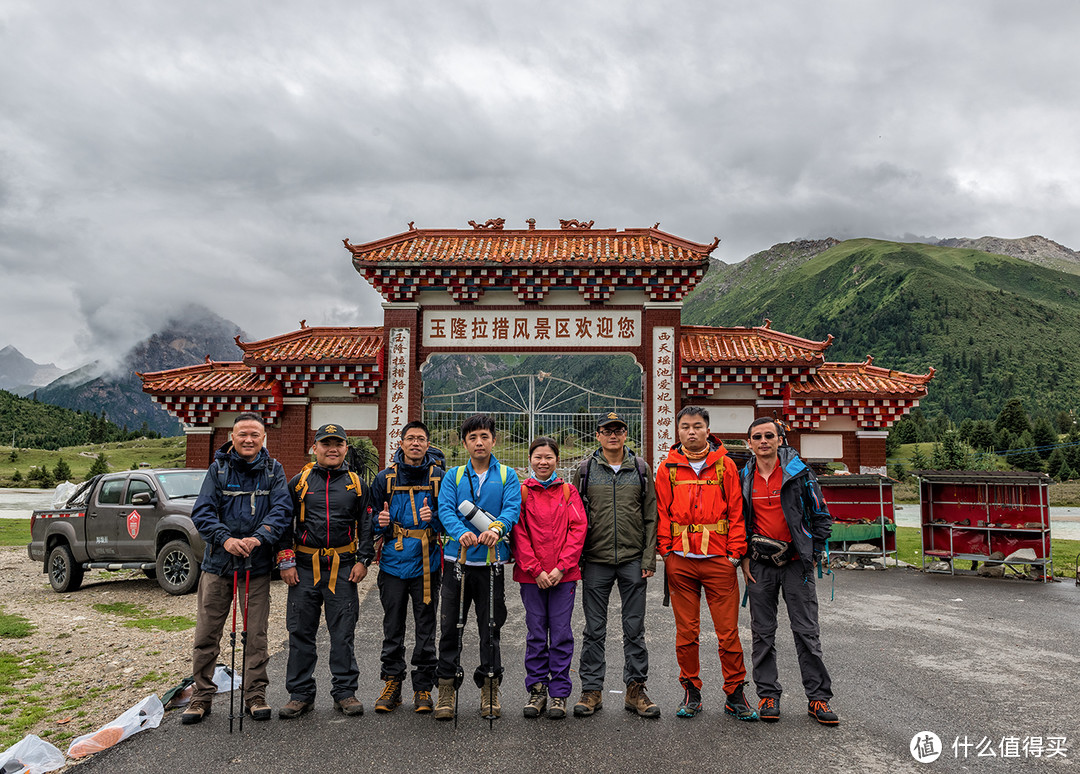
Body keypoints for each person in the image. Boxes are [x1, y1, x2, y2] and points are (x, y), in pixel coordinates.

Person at [182, 412, 292, 725]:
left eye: (254, 435)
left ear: (263, 438)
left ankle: (255, 695)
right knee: (207, 633)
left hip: (255, 567)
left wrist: (259, 538)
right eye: (242, 434)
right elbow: (202, 512)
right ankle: (201, 696)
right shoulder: (218, 469)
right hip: (218, 565)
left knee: (255, 634)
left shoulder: (274, 471)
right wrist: (226, 539)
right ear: (232, 437)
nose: (248, 439)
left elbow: (282, 510)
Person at [655, 406, 757, 721]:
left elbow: (737, 513)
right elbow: (662, 512)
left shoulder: (725, 466)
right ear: (678, 431)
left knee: (728, 633)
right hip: (680, 562)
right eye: (685, 427)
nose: (691, 432)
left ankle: (735, 693)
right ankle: (691, 691)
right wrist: (666, 551)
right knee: (687, 633)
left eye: (697, 426)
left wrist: (734, 555)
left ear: (708, 429)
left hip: (718, 560)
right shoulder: (667, 469)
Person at [740, 417, 838, 726]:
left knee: (806, 632)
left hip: (797, 563)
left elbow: (821, 515)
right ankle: (768, 694)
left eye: (769, 435)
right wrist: (743, 557)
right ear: (749, 443)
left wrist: (812, 552)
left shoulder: (799, 474)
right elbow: (738, 519)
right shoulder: (744, 476)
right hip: (760, 564)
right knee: (762, 634)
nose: (764, 441)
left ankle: (818, 699)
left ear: (781, 439)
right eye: (757, 437)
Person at [276, 423, 374, 719]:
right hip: (304, 569)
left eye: (338, 444)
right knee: (300, 632)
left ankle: (345, 692)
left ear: (346, 448)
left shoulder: (357, 483)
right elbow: (283, 521)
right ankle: (300, 694)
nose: (332, 449)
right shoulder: (299, 482)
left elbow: (367, 524)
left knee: (343, 633)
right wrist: (286, 561)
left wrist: (364, 560)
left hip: (343, 569)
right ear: (314, 447)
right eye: (326, 443)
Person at [572, 412, 659, 718]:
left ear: (625, 435)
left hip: (634, 559)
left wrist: (649, 558)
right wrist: (577, 559)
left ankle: (635, 690)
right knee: (594, 629)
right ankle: (592, 690)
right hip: (596, 560)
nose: (613, 435)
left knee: (634, 628)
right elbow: (576, 518)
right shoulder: (585, 470)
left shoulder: (640, 468)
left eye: (619, 430)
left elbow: (651, 516)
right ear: (598, 435)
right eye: (607, 430)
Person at [434, 414, 521, 721]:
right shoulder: (454, 476)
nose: (479, 442)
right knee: (450, 629)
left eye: (484, 436)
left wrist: (496, 528)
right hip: (457, 562)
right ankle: (446, 688)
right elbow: (445, 508)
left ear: (493, 440)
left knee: (490, 629)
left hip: (491, 563)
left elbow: (512, 508)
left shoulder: (508, 475)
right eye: (473, 438)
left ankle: (490, 687)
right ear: (464, 442)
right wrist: (461, 532)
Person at [370, 420, 445, 713]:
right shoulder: (384, 479)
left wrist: (433, 518)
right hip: (393, 563)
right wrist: (381, 524)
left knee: (426, 625)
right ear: (400, 443)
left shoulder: (440, 477)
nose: (415, 443)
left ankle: (423, 686)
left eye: (421, 439)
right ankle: (392, 682)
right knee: (392, 625)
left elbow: (450, 518)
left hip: (427, 563)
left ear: (428, 444)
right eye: (410, 438)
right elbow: (372, 518)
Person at [512, 437, 588, 720]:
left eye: (548, 457)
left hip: (562, 577)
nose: (543, 462)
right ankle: (537, 689)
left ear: (557, 460)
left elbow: (578, 529)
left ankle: (559, 693)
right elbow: (518, 533)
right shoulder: (521, 493)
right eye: (537, 457)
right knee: (535, 634)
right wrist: (536, 569)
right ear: (530, 460)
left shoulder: (568, 492)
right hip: (532, 577)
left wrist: (561, 568)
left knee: (560, 634)